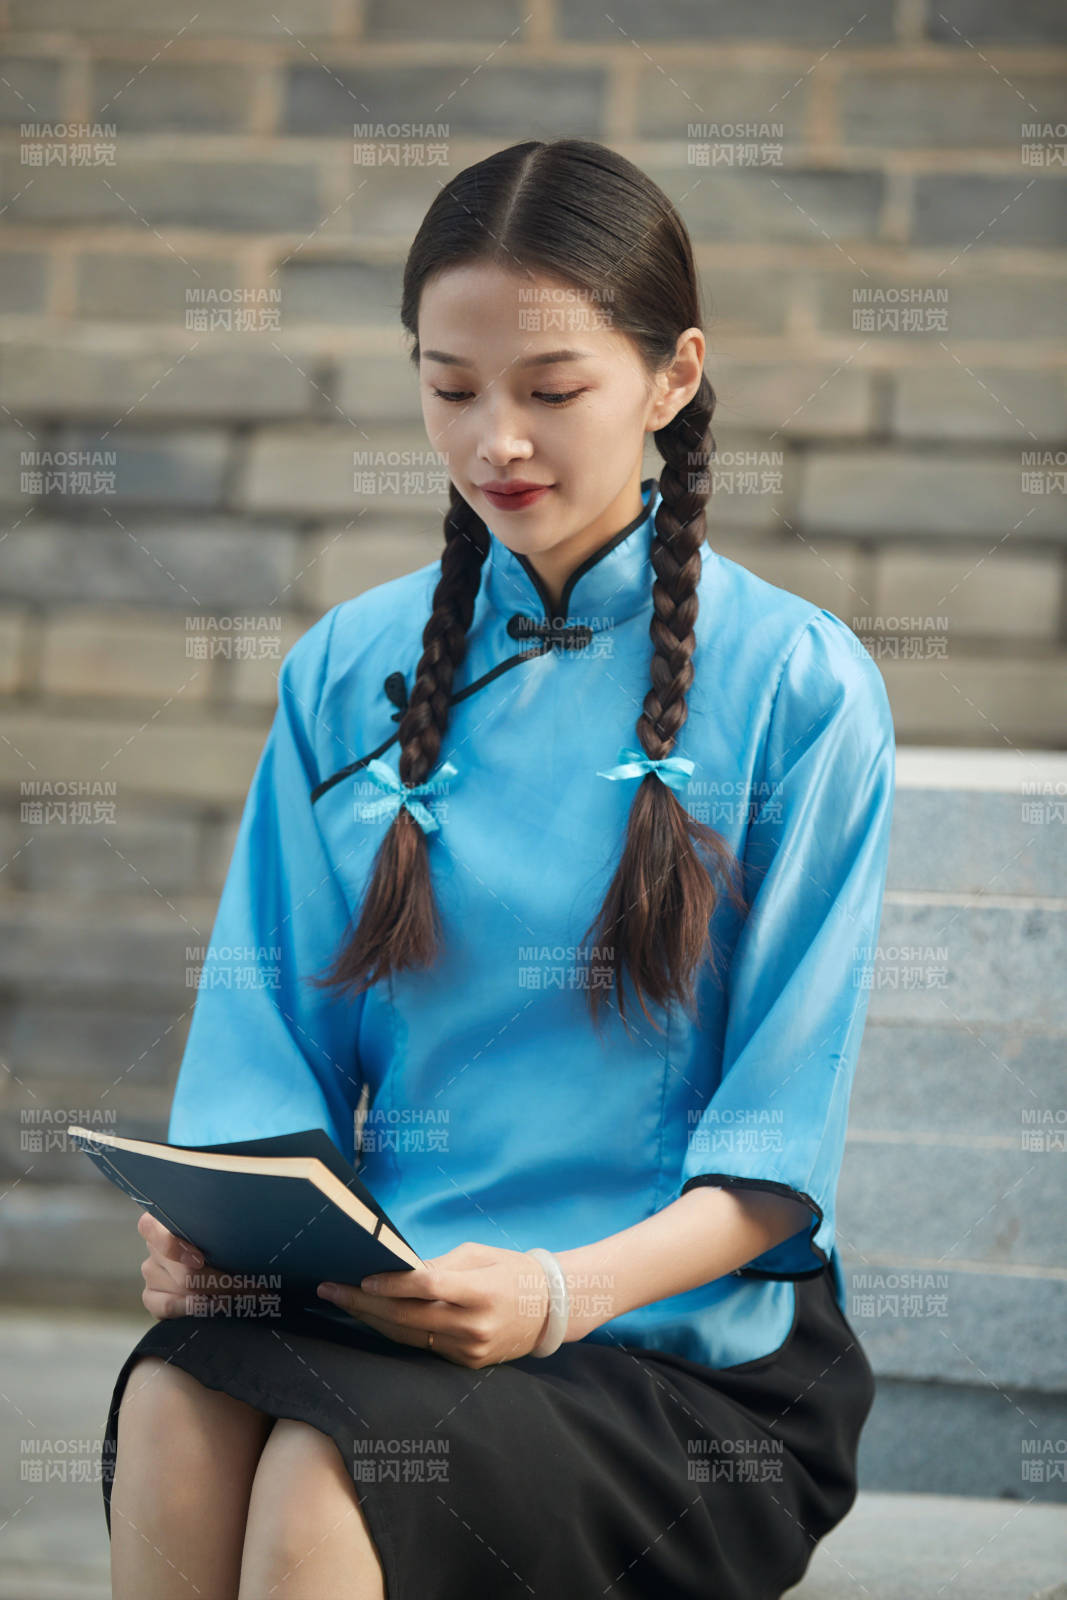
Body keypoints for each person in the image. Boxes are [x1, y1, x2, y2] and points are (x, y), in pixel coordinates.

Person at [103, 137, 891, 1600]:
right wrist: (218, 1241)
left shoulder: (802, 688)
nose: (494, 444)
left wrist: (553, 1294)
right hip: (394, 1300)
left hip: (677, 1359)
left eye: (551, 391)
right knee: (174, 1403)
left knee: (323, 1490)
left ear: (673, 378)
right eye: (450, 387)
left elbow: (779, 1159)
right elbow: (263, 1065)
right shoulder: (346, 674)